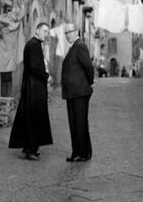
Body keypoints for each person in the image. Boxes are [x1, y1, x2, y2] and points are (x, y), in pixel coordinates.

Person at [8, 22, 53, 160]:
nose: (47, 34)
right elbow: (34, 67)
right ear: (38, 30)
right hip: (34, 88)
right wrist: (47, 77)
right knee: (34, 117)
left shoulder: (34, 44)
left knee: (31, 117)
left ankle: (30, 147)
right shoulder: (34, 45)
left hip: (33, 86)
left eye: (47, 32)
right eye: (45, 31)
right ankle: (31, 149)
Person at [61, 23, 95, 162]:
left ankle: (80, 153)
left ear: (76, 32)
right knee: (77, 122)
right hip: (74, 92)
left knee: (78, 122)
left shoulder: (79, 45)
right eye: (66, 33)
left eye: (70, 32)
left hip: (79, 92)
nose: (67, 35)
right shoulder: (74, 46)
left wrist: (90, 82)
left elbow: (88, 66)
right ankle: (82, 152)